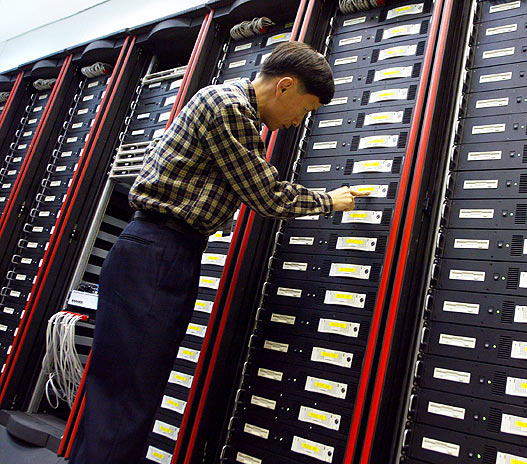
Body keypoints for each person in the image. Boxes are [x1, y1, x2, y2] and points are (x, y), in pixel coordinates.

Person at [69, 41, 369, 463]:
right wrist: (329, 201)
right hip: (159, 253)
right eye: (304, 110)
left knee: (121, 386)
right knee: (130, 391)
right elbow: (266, 195)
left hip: (158, 251)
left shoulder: (222, 101)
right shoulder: (230, 108)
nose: (296, 122)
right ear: (285, 86)